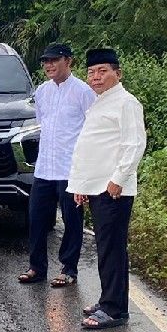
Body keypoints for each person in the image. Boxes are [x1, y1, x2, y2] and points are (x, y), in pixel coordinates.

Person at [68, 47, 147, 329]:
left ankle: (114, 310)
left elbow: (135, 144)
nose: (96, 77)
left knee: (112, 249)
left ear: (117, 73)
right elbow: (92, 148)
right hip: (97, 186)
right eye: (91, 72)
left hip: (113, 189)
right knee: (105, 247)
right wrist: (81, 185)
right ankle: (109, 300)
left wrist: (118, 179)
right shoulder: (101, 102)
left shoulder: (126, 103)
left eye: (103, 71)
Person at [18, 43, 98, 288]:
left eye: (54, 60)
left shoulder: (84, 92)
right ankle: (36, 267)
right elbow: (43, 124)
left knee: (72, 221)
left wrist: (86, 172)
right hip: (44, 168)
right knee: (37, 219)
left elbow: (92, 130)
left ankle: (69, 269)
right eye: (46, 62)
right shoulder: (42, 91)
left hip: (70, 168)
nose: (49, 65)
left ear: (69, 61)